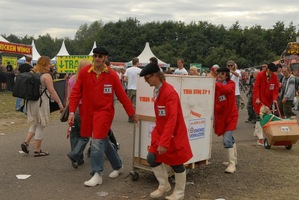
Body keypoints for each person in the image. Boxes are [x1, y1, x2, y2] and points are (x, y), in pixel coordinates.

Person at [68, 47, 138, 187]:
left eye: (100, 56)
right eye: (95, 56)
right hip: (87, 112)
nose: (97, 59)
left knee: (97, 141)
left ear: (105, 58)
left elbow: (122, 96)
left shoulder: (111, 75)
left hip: (104, 113)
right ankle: (118, 166)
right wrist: (71, 112)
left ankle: (97, 173)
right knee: (104, 141)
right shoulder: (85, 72)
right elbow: (75, 93)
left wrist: (132, 113)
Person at [139, 63, 193, 200]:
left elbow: (172, 119)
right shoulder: (157, 90)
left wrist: (164, 141)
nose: (146, 81)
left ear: (156, 75)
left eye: (147, 78)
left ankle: (179, 192)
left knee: (176, 163)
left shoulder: (170, 93)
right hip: (161, 132)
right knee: (152, 158)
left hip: (173, 134)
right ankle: (164, 185)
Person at [20, 56, 64, 156]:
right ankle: (37, 149)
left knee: (35, 123)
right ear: (45, 64)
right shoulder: (46, 76)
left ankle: (26, 142)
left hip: (31, 101)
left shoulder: (32, 73)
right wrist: (60, 104)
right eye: (49, 64)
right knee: (41, 125)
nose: (50, 66)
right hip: (41, 102)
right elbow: (52, 91)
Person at [66, 59, 92, 169]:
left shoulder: (72, 79)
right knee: (85, 135)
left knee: (74, 134)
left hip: (73, 109)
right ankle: (75, 154)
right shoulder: (88, 80)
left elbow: (69, 96)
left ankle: (77, 158)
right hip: (84, 109)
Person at [214, 67, 238, 174]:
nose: (219, 75)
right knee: (229, 138)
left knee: (227, 139)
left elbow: (226, 90)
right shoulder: (217, 85)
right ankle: (234, 160)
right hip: (222, 117)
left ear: (226, 75)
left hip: (231, 116)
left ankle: (232, 164)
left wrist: (213, 83)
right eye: (218, 73)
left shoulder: (231, 84)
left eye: (222, 73)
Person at [252, 63, 279, 145]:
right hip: (259, 100)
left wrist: (274, 99)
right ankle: (260, 138)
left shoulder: (274, 76)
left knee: (261, 117)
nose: (272, 73)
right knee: (261, 117)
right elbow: (256, 87)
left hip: (268, 100)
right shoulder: (260, 75)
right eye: (271, 71)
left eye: (273, 72)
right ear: (267, 69)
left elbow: (275, 88)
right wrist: (257, 97)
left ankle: (257, 132)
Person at [124, 57, 141, 122]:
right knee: (134, 104)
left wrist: (129, 82)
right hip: (136, 88)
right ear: (137, 62)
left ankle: (130, 117)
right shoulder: (140, 70)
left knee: (129, 104)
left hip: (129, 88)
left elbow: (125, 79)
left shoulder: (128, 70)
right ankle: (134, 117)